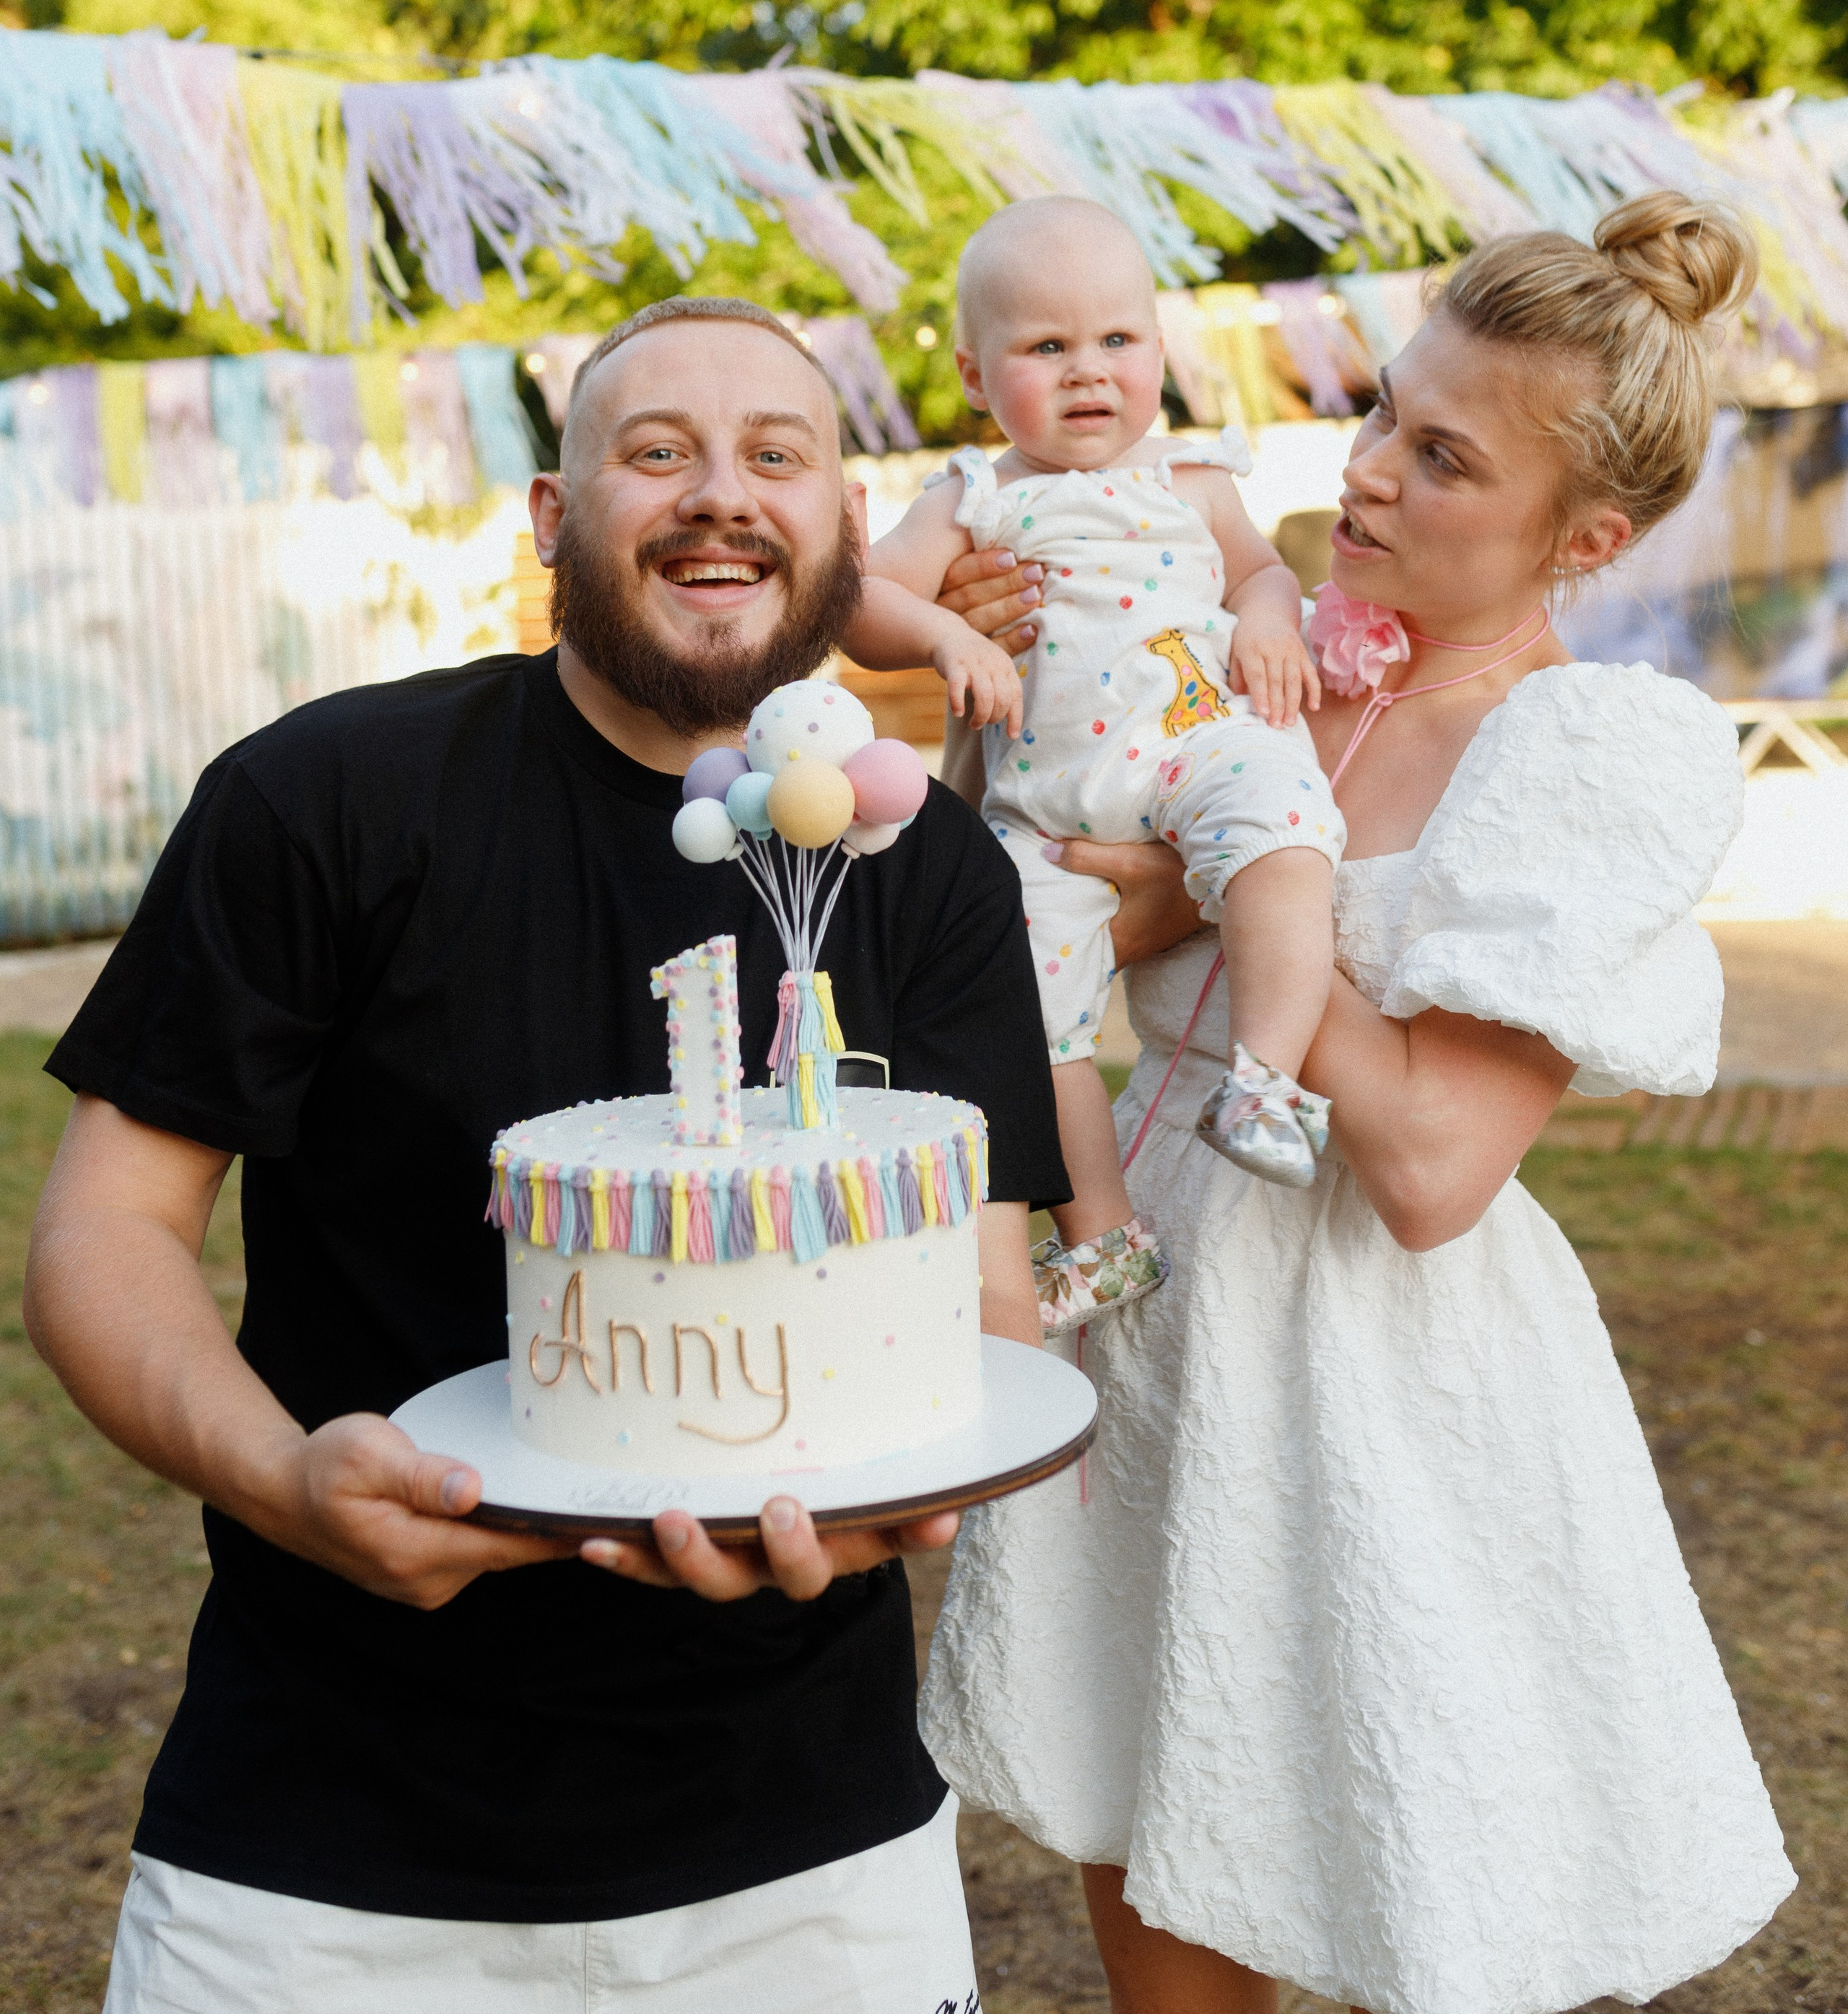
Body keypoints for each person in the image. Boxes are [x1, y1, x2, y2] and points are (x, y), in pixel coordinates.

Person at [24, 294, 1066, 2014]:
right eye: (654, 452)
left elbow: (983, 1302)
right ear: (550, 521)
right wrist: (289, 1487)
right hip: (324, 1858)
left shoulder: (928, 866)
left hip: (806, 1867)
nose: (719, 494)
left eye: (774, 456)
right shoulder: (329, 799)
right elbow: (105, 1235)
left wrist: (901, 1495)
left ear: (846, 528)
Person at [919, 195, 1796, 2014]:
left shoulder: (1583, 755)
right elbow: (1038, 872)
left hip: (1373, 1378)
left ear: (1588, 536)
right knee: (1148, 1811)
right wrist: (991, 691)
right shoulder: (1252, 649)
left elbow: (1422, 1167)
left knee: (1426, 1880)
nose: (1369, 471)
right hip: (1146, 1320)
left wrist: (1228, 907)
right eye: (1382, 411)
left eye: (1441, 455)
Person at [850, 197, 1343, 1335]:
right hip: (1047, 806)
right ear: (978, 378)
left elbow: (1262, 572)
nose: (1089, 372)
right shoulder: (974, 497)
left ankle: (1268, 1080)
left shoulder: (1197, 480)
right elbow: (864, 601)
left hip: (1196, 746)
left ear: (1161, 354)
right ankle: (1105, 1237)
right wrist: (948, 635)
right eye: (1046, 347)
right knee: (1027, 1016)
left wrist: (1268, 615)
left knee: (1285, 828)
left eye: (1117, 341)